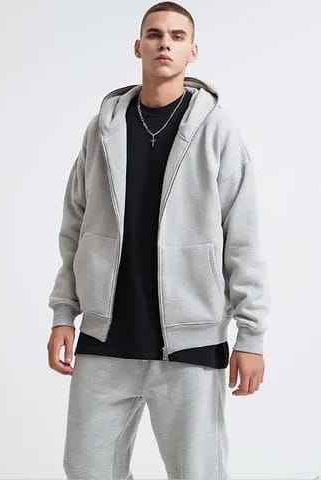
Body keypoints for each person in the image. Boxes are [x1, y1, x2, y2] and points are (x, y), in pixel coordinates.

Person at [46, 2, 271, 478]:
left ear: (192, 51)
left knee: (197, 472)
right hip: (106, 335)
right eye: (154, 34)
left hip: (190, 341)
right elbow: (75, 224)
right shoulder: (103, 129)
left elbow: (244, 236)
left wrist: (251, 336)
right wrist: (64, 312)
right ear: (138, 46)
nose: (164, 43)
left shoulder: (217, 130)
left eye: (176, 36)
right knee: (86, 469)